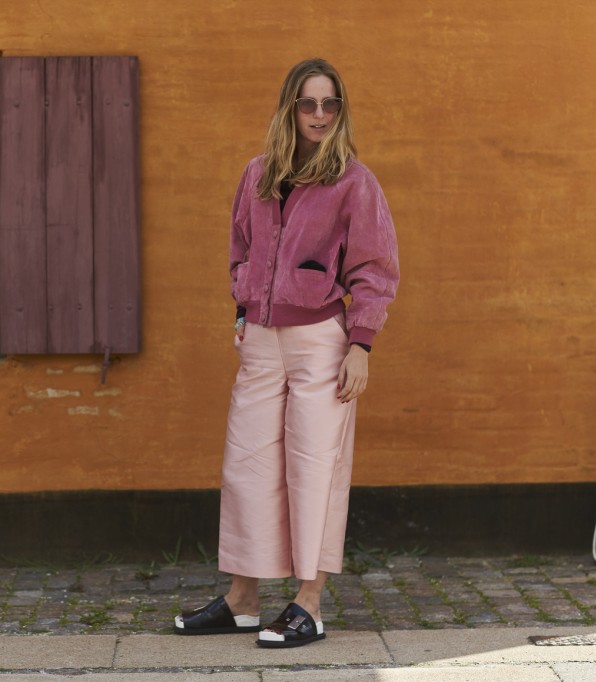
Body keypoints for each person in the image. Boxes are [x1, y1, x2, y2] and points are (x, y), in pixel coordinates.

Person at [174, 58, 399, 648]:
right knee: (246, 465)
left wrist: (362, 346)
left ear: (340, 111)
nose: (319, 115)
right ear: (289, 108)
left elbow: (375, 271)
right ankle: (242, 599)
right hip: (261, 342)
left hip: (323, 340)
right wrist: (244, 312)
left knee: (315, 468)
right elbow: (240, 251)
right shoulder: (257, 175)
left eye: (330, 104)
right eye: (308, 103)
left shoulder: (355, 181)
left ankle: (309, 601)